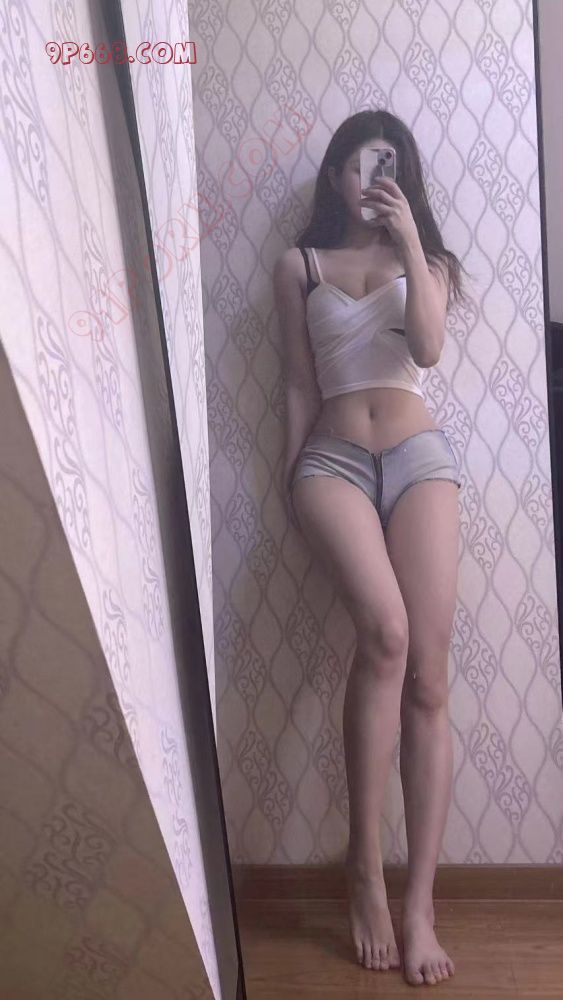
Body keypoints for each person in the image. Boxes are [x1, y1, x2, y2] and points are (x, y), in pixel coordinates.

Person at [273, 109, 471, 988]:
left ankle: (418, 902)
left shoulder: (428, 265)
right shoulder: (299, 265)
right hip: (332, 461)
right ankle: (363, 871)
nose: (370, 179)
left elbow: (425, 349)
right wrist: (289, 477)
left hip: (420, 457)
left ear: (404, 177)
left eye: (386, 165)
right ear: (334, 175)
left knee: (428, 674)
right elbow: (294, 383)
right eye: (358, 164)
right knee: (383, 635)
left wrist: (410, 243)